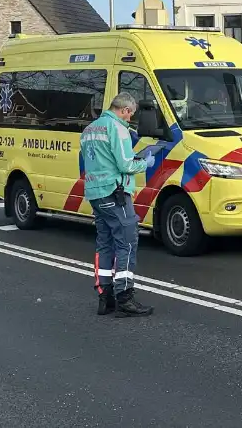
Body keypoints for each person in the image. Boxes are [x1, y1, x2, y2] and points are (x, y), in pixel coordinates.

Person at [80, 92, 157, 317]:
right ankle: (125, 298)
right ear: (124, 110)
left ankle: (105, 297)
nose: (129, 119)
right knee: (127, 242)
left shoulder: (89, 130)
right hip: (116, 193)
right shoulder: (118, 129)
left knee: (104, 243)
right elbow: (125, 165)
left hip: (95, 193)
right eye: (130, 114)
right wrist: (144, 163)